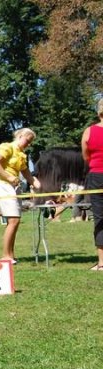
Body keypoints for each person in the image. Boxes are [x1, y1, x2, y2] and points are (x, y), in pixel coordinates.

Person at [0, 128, 40, 263]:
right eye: (28, 140)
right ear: (20, 135)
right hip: (2, 186)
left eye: (30, 142)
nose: (29, 144)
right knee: (14, 221)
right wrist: (9, 177)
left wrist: (39, 185)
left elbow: (27, 173)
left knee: (14, 222)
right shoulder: (7, 147)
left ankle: (10, 254)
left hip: (12, 188)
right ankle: (6, 256)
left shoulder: (21, 154)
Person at [81, 98, 103, 271]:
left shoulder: (89, 131)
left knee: (100, 218)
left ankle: (102, 263)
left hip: (96, 176)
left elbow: (86, 156)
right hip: (96, 175)